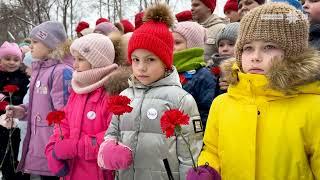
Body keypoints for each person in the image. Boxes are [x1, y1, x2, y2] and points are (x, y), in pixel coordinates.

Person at [187, 3, 320, 179]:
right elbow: (212, 149)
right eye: (248, 48)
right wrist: (208, 169)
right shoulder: (222, 104)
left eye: (269, 47)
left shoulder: (313, 108)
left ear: (292, 53)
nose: (255, 57)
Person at [98, 4, 203, 180]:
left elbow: (189, 151)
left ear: (165, 61)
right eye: (135, 59)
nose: (141, 67)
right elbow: (112, 132)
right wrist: (109, 148)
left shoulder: (181, 99)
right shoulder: (125, 96)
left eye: (150, 59)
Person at [45, 33, 118, 180]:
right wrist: (53, 149)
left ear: (97, 62)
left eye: (81, 59)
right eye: (74, 59)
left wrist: (76, 147)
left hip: (99, 173)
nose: (74, 65)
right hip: (72, 171)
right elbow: (64, 123)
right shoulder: (78, 91)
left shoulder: (111, 93)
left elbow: (115, 135)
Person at [6, 21, 73, 180]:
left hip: (55, 148)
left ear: (51, 45)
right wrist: (22, 110)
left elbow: (64, 114)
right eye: (30, 42)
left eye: (35, 42)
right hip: (41, 145)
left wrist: (60, 148)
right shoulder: (41, 70)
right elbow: (40, 106)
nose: (31, 46)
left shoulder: (61, 72)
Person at [172, 21, 217, 129]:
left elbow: (207, 113)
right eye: (170, 42)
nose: (172, 47)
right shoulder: (168, 72)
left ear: (192, 45)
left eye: (177, 43)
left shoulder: (204, 75)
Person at [0, 41, 30, 180]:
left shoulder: (23, 77)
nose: (12, 62)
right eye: (7, 59)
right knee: (4, 151)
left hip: (19, 122)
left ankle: (20, 174)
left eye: (16, 59)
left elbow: (27, 97)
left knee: (17, 150)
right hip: (1, 121)